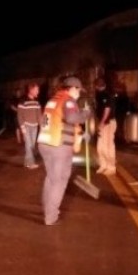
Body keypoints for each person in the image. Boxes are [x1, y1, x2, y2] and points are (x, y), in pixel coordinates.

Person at [37, 76, 92, 226]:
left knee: (51, 178)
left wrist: (80, 134)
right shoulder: (68, 100)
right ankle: (51, 217)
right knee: (59, 181)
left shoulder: (53, 100)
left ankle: (47, 209)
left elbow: (58, 120)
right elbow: (72, 118)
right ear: (72, 88)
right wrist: (86, 113)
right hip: (58, 146)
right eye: (79, 90)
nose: (79, 93)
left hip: (45, 143)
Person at [16, 82, 43, 168]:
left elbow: (39, 115)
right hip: (26, 126)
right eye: (36, 90)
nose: (38, 92)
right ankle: (30, 163)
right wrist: (22, 128)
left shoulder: (37, 102)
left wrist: (42, 126)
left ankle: (27, 162)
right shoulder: (23, 101)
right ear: (31, 90)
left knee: (31, 145)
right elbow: (19, 115)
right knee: (28, 145)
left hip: (34, 127)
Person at [93, 77, 117, 175]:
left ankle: (111, 167)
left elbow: (107, 110)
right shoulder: (98, 95)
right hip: (102, 122)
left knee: (108, 146)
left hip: (108, 123)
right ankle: (103, 165)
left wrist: (102, 122)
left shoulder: (107, 95)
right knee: (100, 146)